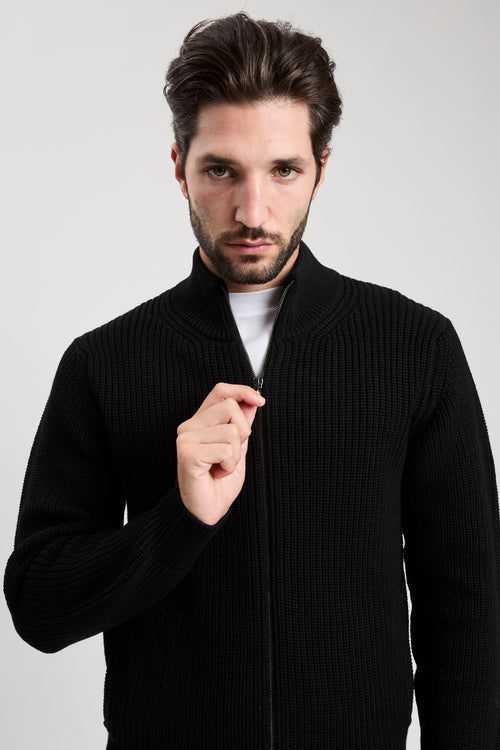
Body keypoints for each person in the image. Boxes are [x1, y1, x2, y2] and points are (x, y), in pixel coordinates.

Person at [4, 12, 499, 749]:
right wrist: (181, 519)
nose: (251, 211)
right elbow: (40, 607)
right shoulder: (104, 363)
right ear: (179, 166)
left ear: (321, 168)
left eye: (283, 171)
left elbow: (469, 611)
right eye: (221, 171)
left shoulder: (415, 347)